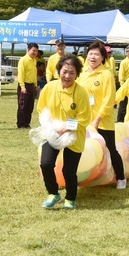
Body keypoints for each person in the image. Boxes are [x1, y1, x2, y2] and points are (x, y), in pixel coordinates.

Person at [38, 55, 91, 209]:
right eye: (64, 71)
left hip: (74, 135)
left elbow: (84, 119)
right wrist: (52, 125)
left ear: (77, 74)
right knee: (46, 163)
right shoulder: (49, 87)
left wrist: (66, 128)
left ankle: (70, 198)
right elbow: (42, 109)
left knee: (68, 170)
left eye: (72, 73)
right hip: (53, 132)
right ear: (58, 71)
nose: (67, 76)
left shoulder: (80, 93)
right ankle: (53, 193)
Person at [79, 40, 127, 189]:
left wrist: (98, 119)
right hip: (84, 120)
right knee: (82, 148)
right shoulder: (83, 73)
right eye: (90, 54)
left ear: (103, 58)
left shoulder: (106, 74)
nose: (93, 57)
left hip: (103, 121)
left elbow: (109, 100)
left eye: (97, 54)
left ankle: (121, 178)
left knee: (110, 149)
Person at [16, 43, 39, 129]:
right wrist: (22, 86)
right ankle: (21, 124)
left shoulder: (34, 60)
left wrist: (35, 86)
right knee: (22, 105)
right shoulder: (23, 60)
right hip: (24, 85)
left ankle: (26, 123)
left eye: (36, 51)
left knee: (30, 106)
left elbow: (34, 74)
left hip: (31, 85)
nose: (35, 52)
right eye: (33, 50)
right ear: (28, 50)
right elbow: (21, 74)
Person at [117, 45, 129, 123]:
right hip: (125, 86)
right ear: (126, 52)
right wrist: (123, 89)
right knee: (123, 106)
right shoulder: (124, 62)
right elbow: (121, 77)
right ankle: (120, 122)